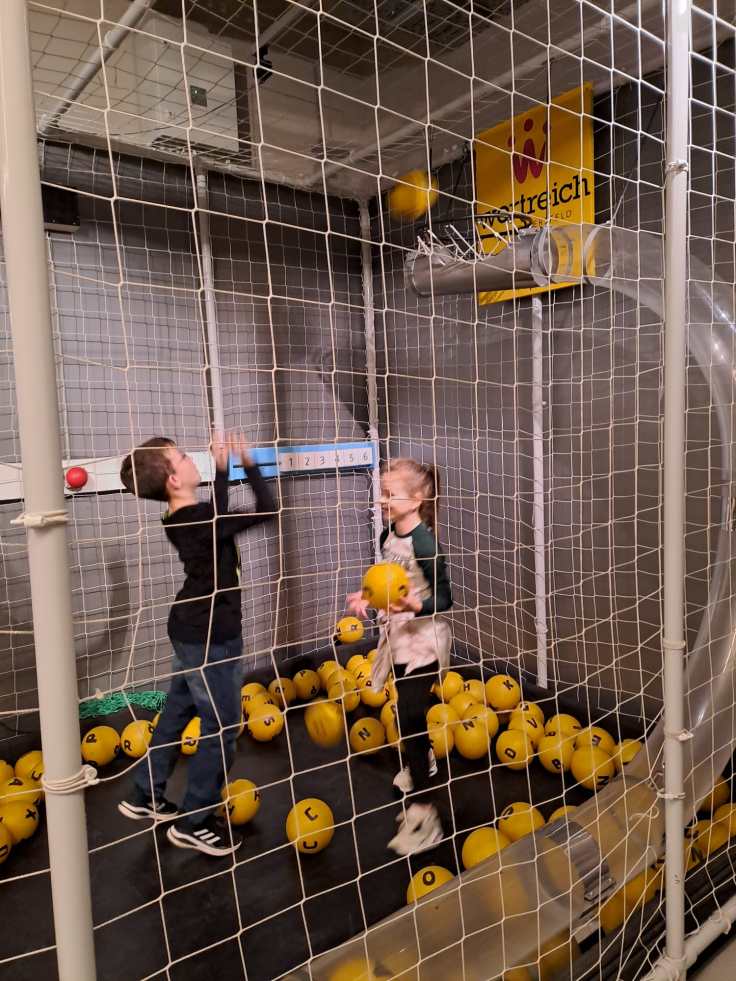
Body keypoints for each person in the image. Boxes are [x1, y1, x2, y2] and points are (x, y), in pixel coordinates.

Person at [117, 432, 276, 856]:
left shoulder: (182, 517)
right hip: (210, 637)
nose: (192, 459)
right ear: (173, 479)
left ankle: (144, 793)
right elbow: (268, 509)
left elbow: (216, 517)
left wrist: (222, 469)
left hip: (190, 630)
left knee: (177, 712)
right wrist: (246, 461)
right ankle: (195, 819)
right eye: (183, 457)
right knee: (222, 728)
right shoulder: (201, 520)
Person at [347, 458, 452, 855]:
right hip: (398, 638)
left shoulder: (425, 544)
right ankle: (422, 760)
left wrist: (416, 605)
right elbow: (384, 581)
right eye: (382, 492)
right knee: (404, 714)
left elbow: (446, 599)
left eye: (391, 494)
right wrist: (366, 597)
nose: (382, 500)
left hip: (424, 640)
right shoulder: (387, 535)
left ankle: (426, 815)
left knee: (409, 713)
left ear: (418, 498)